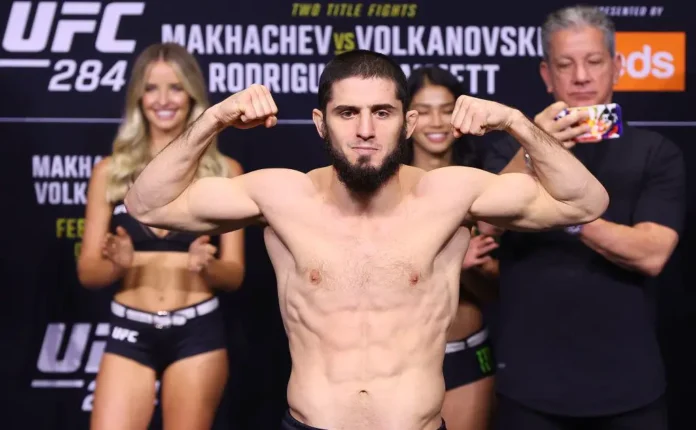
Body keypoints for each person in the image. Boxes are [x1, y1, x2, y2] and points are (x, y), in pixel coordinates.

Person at [123, 49, 609, 430]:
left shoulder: (450, 194)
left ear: (407, 123)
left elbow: (584, 203)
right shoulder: (283, 195)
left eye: (382, 112)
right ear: (321, 122)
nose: (364, 130)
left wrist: (516, 123)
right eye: (347, 113)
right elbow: (148, 205)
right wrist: (213, 119)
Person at [480, 6, 686, 430]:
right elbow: (486, 224)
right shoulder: (508, 150)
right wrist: (534, 148)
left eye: (593, 61)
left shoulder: (656, 152)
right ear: (546, 74)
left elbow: (651, 254)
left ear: (617, 67)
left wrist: (570, 216)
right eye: (565, 64)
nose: (581, 76)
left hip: (629, 385)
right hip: (530, 384)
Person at [77, 43, 245, 430]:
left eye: (176, 87)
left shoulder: (225, 171)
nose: (164, 100)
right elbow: (88, 273)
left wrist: (208, 268)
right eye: (152, 88)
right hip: (129, 328)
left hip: (197, 331)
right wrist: (117, 266)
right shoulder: (110, 172)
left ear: (193, 95)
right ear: (138, 96)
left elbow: (234, 274)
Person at [404, 66, 499, 430]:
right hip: (399, 360)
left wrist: (470, 268)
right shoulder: (383, 186)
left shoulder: (483, 185)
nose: (436, 121)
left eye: (446, 110)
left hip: (465, 352)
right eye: (424, 111)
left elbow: (496, 293)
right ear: (406, 118)